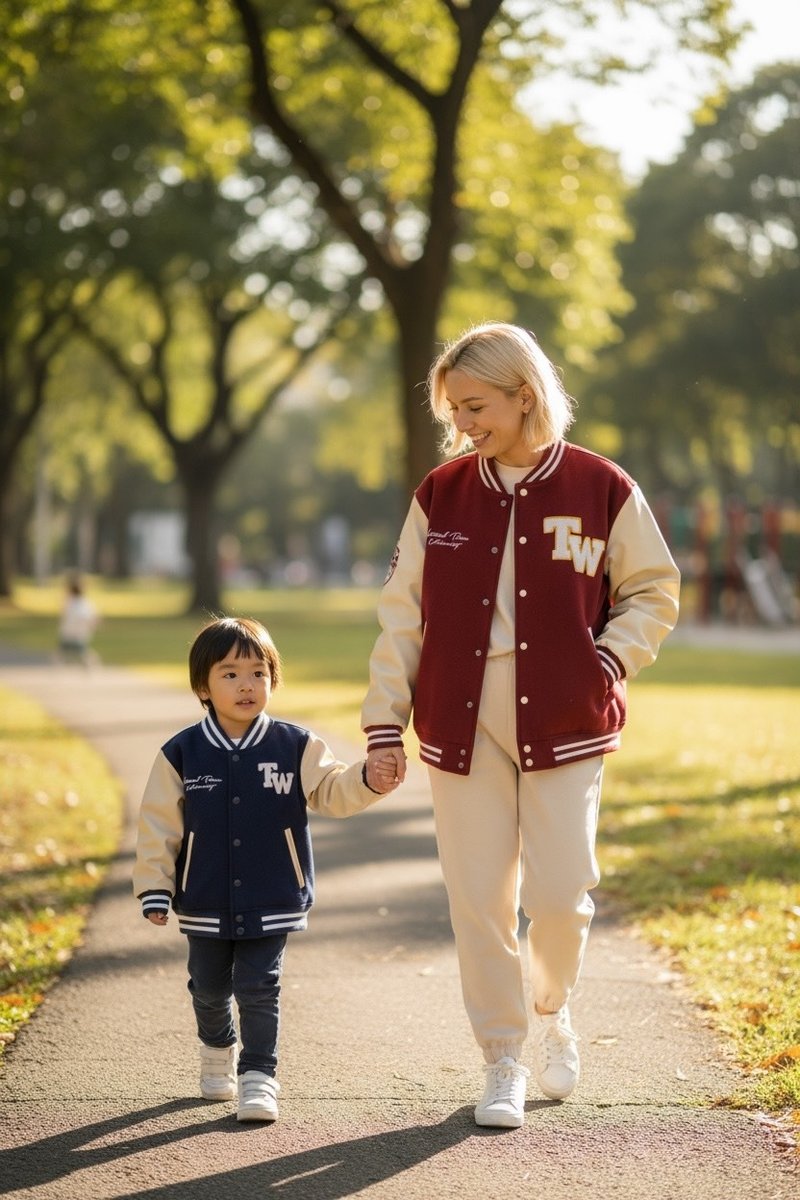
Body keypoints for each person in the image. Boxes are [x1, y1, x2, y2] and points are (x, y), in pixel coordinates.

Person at [362, 322, 680, 1129]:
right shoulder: (441, 495)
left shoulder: (602, 486)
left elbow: (653, 592)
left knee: (562, 893)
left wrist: (605, 664)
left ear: (524, 394)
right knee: (479, 900)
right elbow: (401, 618)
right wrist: (383, 725)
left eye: (475, 407)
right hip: (461, 723)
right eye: (454, 410)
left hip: (569, 718)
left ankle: (553, 1007)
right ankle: (502, 1058)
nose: (463, 425)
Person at [134, 616, 397, 1123]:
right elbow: (159, 824)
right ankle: (218, 1049)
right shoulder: (181, 753)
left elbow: (332, 791)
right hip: (205, 896)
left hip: (273, 892)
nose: (246, 684)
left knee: (259, 985)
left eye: (258, 672)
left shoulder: (295, 746)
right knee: (208, 987)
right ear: (202, 687)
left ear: (273, 680)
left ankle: (259, 1076)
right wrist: (154, 887)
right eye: (230, 673)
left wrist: (368, 779)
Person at [56, 574, 100, 667]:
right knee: (84, 653)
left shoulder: (69, 603)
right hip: (79, 636)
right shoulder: (86, 604)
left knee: (63, 653)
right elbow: (93, 619)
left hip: (68, 634)